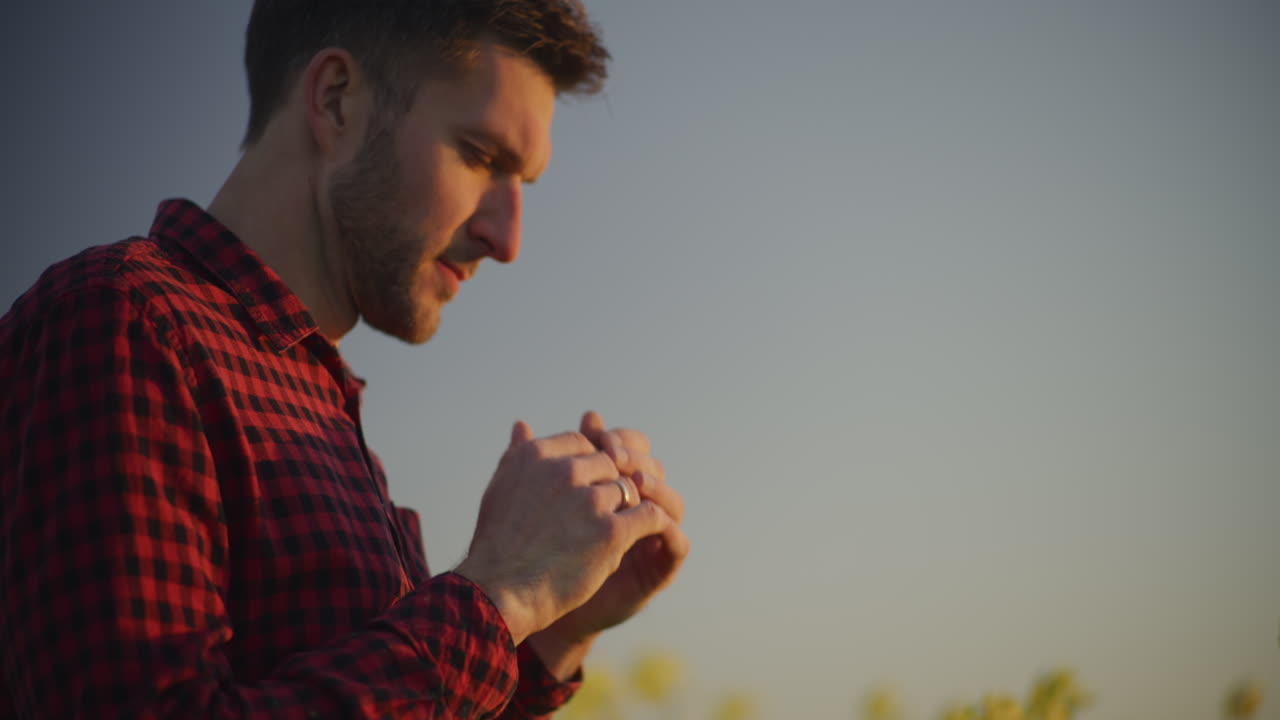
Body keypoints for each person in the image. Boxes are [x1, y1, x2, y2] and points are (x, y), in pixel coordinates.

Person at [0, 1, 689, 718]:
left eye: (525, 185)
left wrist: (557, 624)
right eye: (482, 156)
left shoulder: (320, 403)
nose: (507, 238)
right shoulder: (122, 324)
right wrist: (502, 594)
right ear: (335, 100)